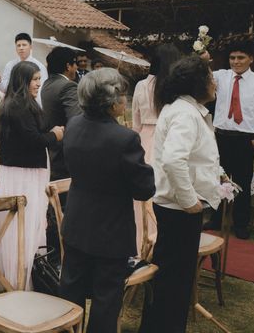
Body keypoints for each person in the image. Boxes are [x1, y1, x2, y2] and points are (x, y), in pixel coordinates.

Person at [59, 68, 155, 332]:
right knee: (105, 300)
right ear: (113, 102)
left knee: (70, 290)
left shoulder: (75, 124)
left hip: (77, 221)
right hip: (110, 231)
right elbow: (144, 189)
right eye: (123, 95)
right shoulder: (124, 138)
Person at [140, 56, 221, 333]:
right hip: (178, 209)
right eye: (210, 78)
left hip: (175, 206)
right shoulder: (185, 113)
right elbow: (174, 160)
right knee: (174, 282)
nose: (214, 83)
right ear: (198, 83)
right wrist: (190, 201)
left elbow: (195, 156)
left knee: (172, 279)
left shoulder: (186, 109)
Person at [0, 61, 64, 289]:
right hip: (23, 174)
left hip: (28, 170)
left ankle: (32, 267)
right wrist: (55, 135)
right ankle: (19, 273)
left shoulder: (24, 103)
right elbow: (33, 140)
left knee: (34, 219)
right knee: (24, 221)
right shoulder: (18, 107)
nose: (38, 83)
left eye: (38, 78)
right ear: (23, 81)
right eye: (34, 79)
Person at [206, 42, 254, 239]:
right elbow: (201, 74)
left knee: (242, 183)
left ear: (251, 59)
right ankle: (216, 218)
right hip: (221, 137)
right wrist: (204, 57)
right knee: (218, 179)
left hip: (245, 140)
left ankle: (240, 223)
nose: (236, 62)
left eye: (241, 58)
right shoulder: (221, 76)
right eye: (232, 58)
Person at [132, 44, 183, 253]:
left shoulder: (141, 85)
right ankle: (163, 245)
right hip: (168, 140)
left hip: (143, 140)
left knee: (141, 196)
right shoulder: (176, 89)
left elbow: (135, 122)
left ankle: (139, 243)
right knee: (165, 194)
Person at [40, 47, 82, 181]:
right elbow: (76, 121)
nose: (77, 67)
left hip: (52, 149)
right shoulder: (68, 86)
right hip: (65, 153)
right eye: (75, 63)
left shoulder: (46, 84)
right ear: (68, 66)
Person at [0, 33, 48, 104]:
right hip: (14, 103)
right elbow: (5, 88)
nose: (21, 48)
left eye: (24, 45)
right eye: (18, 45)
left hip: (32, 103)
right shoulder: (10, 65)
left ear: (30, 47)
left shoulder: (39, 66)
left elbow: (42, 89)